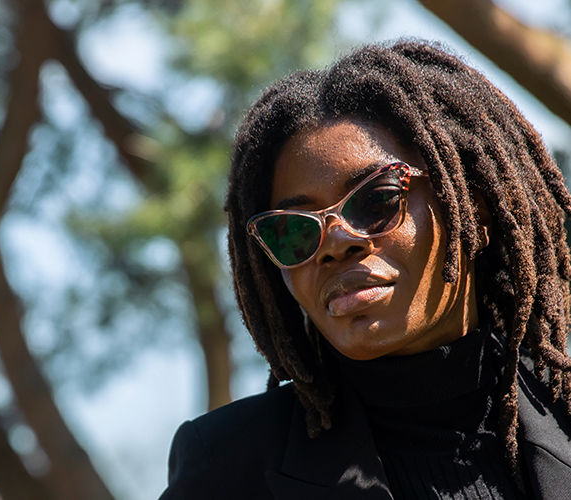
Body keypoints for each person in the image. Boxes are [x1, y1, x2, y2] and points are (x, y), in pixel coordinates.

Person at [159, 40, 571, 499]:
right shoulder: (227, 468)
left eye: (376, 200)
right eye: (294, 231)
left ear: (474, 208)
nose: (335, 243)